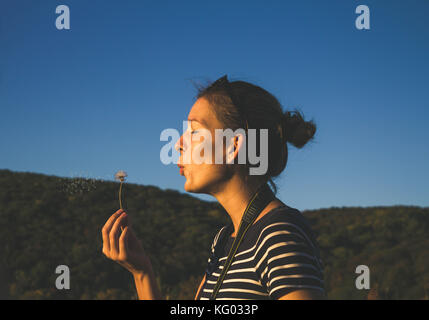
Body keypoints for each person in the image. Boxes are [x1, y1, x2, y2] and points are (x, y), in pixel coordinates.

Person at [102, 75, 325, 300]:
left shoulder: (278, 234)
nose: (178, 143)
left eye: (195, 132)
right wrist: (142, 273)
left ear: (234, 145)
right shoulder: (223, 241)